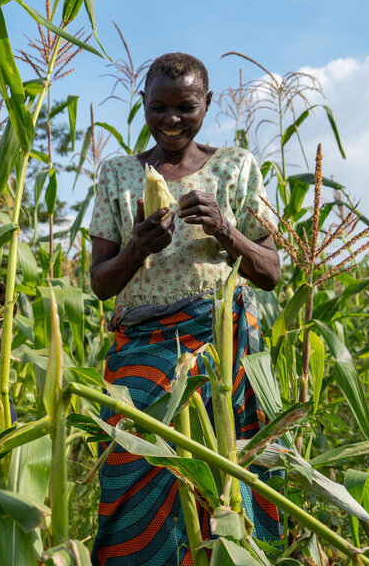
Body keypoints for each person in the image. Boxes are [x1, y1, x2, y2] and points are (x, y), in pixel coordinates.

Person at [88, 53, 282, 564]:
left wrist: (225, 229)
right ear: (143, 105)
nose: (171, 120)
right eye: (159, 108)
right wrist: (137, 249)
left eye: (186, 107)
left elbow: (271, 270)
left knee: (228, 474)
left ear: (207, 104)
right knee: (134, 470)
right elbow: (101, 285)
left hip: (222, 353)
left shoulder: (234, 167)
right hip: (142, 355)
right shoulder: (118, 175)